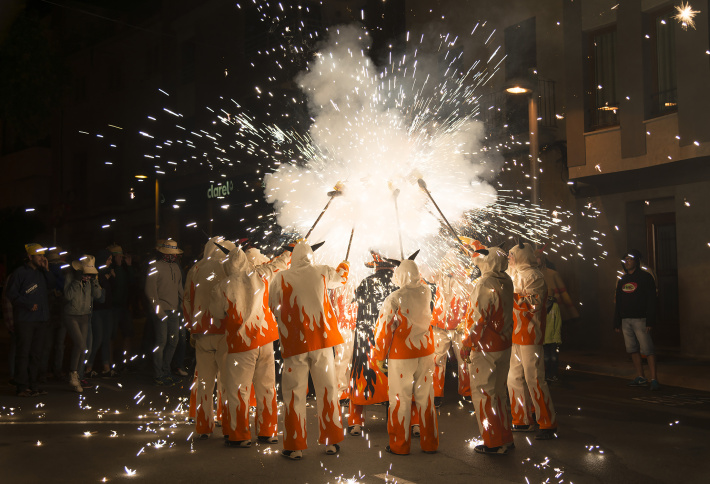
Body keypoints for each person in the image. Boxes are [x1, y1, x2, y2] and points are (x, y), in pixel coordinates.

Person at [269, 240, 349, 460]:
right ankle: (331, 441)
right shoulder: (321, 272)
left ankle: (295, 446)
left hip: (294, 345)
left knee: (294, 394)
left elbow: (273, 305)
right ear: (311, 256)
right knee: (328, 390)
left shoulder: (280, 277)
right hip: (322, 343)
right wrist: (345, 265)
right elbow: (341, 279)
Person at [212, 244, 290, 447]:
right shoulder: (260, 274)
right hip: (265, 340)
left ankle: (240, 435)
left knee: (239, 390)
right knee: (267, 388)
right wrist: (291, 250)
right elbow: (278, 264)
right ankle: (268, 432)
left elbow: (217, 314)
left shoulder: (222, 286)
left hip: (241, 344)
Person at [373, 251, 439, 455]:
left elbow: (384, 329)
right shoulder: (426, 291)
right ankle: (430, 443)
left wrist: (379, 356)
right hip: (426, 352)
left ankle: (400, 445)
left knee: (400, 399)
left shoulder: (395, 297)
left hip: (402, 355)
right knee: (426, 398)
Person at [459, 244, 515, 455]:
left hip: (485, 346)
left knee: (484, 393)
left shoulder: (484, 283)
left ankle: (493, 441)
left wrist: (467, 344)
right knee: (499, 393)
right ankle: (505, 438)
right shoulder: (506, 280)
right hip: (503, 345)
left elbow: (477, 319)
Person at [183, 237, 234, 439]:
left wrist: (191, 328)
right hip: (224, 331)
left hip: (202, 332)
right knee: (228, 380)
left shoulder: (195, 268)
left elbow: (187, 299)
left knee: (204, 381)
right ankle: (228, 424)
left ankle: (204, 424)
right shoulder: (228, 268)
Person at [507, 242, 557, 440]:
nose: (509, 257)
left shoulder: (534, 276)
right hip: (513, 335)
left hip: (530, 335)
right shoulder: (512, 273)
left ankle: (547, 422)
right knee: (513, 379)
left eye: (512, 254)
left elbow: (533, 304)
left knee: (535, 378)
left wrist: (507, 296)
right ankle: (521, 419)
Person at [348, 252, 398, 437]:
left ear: (376, 266)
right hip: (391, 340)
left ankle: (356, 423)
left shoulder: (366, 282)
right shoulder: (399, 285)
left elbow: (356, 302)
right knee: (395, 380)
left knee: (361, 376)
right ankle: (405, 421)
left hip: (366, 339)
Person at [6, 243, 56, 396]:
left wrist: (47, 270)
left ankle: (33, 385)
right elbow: (11, 293)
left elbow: (53, 285)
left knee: (36, 353)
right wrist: (27, 304)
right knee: (24, 352)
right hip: (25, 319)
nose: (42, 258)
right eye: (39, 255)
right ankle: (22, 386)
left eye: (43, 255)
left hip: (41, 319)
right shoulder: (20, 273)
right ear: (30, 257)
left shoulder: (42, 273)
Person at [431, 248, 478, 407]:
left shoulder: (467, 278)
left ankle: (466, 391)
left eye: (451, 262)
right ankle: (436, 393)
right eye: (445, 262)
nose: (447, 266)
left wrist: (466, 321)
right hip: (440, 325)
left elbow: (473, 300)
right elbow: (426, 273)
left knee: (464, 361)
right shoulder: (439, 274)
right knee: (437, 359)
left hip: (460, 325)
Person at [614, 249, 659, 390]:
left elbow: (652, 300)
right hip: (626, 320)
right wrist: (617, 321)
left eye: (630, 259)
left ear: (636, 261)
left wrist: (650, 320)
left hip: (641, 319)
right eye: (625, 259)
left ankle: (653, 379)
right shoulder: (622, 279)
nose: (627, 262)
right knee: (633, 349)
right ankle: (640, 376)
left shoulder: (646, 277)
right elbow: (618, 301)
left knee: (648, 350)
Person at [535, 249, 579, 383]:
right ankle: (542, 373)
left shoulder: (552, 274)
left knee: (552, 350)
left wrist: (572, 313)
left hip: (553, 316)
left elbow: (564, 295)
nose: (536, 260)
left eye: (538, 257)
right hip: (537, 317)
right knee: (541, 350)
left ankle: (551, 373)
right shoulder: (529, 275)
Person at [145, 239, 184, 386]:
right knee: (161, 342)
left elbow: (180, 288)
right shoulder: (154, 266)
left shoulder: (175, 267)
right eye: (171, 253)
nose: (174, 256)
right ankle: (158, 373)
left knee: (173, 341)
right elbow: (150, 290)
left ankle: (166, 371)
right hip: (162, 310)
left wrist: (184, 303)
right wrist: (158, 310)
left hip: (174, 310)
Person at [63, 255, 103, 393]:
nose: (88, 276)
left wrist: (95, 282)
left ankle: (77, 376)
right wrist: (76, 281)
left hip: (85, 315)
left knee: (84, 347)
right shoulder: (71, 276)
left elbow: (98, 296)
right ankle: (73, 374)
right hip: (71, 315)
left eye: (90, 274)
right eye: (86, 274)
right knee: (80, 344)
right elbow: (67, 296)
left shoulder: (91, 280)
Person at [85, 249, 116, 378]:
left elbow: (112, 290)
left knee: (106, 338)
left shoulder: (108, 272)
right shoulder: (96, 273)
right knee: (97, 338)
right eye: (108, 259)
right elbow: (98, 293)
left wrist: (111, 277)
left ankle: (106, 367)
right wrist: (105, 278)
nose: (110, 262)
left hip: (108, 309)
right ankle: (87, 367)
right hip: (97, 310)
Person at [108, 244, 135, 370]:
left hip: (124, 306)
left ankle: (126, 361)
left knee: (128, 333)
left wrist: (129, 266)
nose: (120, 259)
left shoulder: (123, 269)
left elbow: (132, 282)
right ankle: (109, 363)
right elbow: (115, 286)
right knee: (111, 336)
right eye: (118, 257)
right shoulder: (110, 270)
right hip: (113, 307)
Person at [331, 281, 357, 405]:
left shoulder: (340, 284)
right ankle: (338, 392)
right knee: (342, 359)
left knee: (349, 359)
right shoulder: (339, 285)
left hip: (350, 324)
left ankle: (345, 391)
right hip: (343, 325)